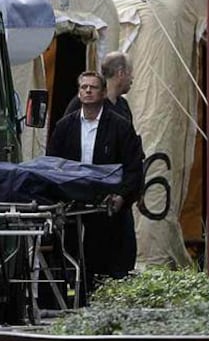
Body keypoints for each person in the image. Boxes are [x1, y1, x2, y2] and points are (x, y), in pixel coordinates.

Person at [46, 71, 144, 291]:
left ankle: (101, 294)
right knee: (71, 251)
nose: (88, 91)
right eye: (84, 87)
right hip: (72, 202)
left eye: (93, 87)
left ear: (103, 92)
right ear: (79, 93)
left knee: (104, 254)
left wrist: (122, 195)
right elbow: (52, 164)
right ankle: (72, 294)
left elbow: (133, 166)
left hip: (106, 201)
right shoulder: (65, 127)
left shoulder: (120, 126)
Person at [64, 51, 134, 122]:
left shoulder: (124, 106)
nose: (132, 77)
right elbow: (65, 130)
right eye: (130, 73)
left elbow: (129, 133)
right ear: (121, 73)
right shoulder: (85, 101)